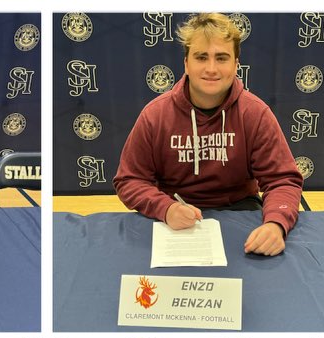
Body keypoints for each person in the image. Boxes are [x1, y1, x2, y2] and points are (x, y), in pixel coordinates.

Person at [113, 11, 304, 257]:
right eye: (201, 57)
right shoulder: (155, 115)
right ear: (186, 63)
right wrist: (165, 208)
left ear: (236, 65)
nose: (211, 68)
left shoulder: (255, 113)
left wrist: (276, 223)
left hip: (240, 210)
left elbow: (283, 180)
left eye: (221, 58)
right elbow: (129, 180)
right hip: (172, 215)